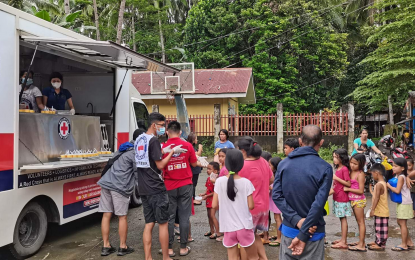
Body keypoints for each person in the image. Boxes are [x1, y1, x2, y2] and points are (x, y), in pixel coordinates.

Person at [273, 125, 332, 259]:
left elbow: (276, 195)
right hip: (313, 232)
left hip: (290, 229)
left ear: (300, 141)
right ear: (321, 143)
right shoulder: (325, 168)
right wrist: (304, 231)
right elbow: (318, 204)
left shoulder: (283, 164)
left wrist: (297, 221)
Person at [135, 112, 185, 260]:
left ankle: (148, 257)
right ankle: (165, 257)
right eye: (162, 126)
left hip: (143, 187)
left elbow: (149, 156)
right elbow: (161, 165)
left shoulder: (140, 139)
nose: (163, 129)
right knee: (163, 223)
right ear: (154, 125)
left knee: (149, 223)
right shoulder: (154, 141)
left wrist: (164, 151)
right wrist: (172, 152)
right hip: (156, 188)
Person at [97, 129, 142, 256]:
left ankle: (106, 246)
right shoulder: (135, 152)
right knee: (122, 216)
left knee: (106, 215)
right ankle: (123, 246)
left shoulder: (123, 148)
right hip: (119, 186)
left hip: (106, 182)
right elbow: (138, 174)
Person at [212, 149, 258, 260]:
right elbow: (251, 206)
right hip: (244, 227)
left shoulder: (219, 181)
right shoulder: (246, 182)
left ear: (226, 163)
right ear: (241, 164)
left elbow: (214, 205)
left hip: (228, 228)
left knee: (232, 258)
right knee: (253, 257)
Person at [161, 121, 197, 257]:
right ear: (180, 132)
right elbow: (193, 163)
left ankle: (169, 248)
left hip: (169, 185)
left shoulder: (163, 148)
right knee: (184, 216)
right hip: (185, 185)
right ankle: (183, 247)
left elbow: (159, 166)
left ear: (167, 132)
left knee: (170, 217)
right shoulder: (187, 145)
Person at [237, 137, 274, 260]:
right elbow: (271, 179)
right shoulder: (263, 160)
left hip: (249, 208)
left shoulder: (242, 166)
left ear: (242, 151)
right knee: (253, 235)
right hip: (263, 206)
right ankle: (264, 258)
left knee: (243, 240)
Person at [387, 158, 414, 251]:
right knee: (400, 222)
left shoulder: (401, 177)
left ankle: (404, 245)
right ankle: (409, 242)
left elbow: (397, 191)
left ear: (402, 168)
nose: (393, 168)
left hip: (404, 202)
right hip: (402, 202)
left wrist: (389, 186)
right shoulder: (401, 176)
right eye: (393, 166)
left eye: (395, 166)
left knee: (402, 223)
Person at [343, 154, 367, 252]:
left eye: (355, 164)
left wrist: (348, 189)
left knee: (361, 222)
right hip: (353, 200)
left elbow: (361, 190)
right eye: (351, 162)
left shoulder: (360, 174)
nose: (352, 165)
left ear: (361, 164)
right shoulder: (351, 171)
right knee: (358, 221)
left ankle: (361, 245)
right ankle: (361, 241)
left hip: (358, 200)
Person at [330, 149, 352, 250]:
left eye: (336, 157)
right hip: (337, 197)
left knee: (343, 219)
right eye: (334, 157)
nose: (334, 159)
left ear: (342, 158)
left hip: (342, 198)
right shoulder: (339, 168)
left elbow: (348, 183)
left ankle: (344, 241)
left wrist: (336, 178)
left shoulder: (344, 169)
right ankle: (343, 239)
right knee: (341, 218)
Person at [367, 163, 390, 251]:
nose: (372, 176)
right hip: (380, 210)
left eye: (372, 173)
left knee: (382, 229)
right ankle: (377, 241)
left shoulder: (379, 185)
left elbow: (376, 198)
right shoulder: (382, 183)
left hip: (382, 211)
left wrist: (372, 209)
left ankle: (381, 244)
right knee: (378, 227)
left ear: (376, 173)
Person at [200, 162, 221, 240]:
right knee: (209, 215)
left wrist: (207, 195)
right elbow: (208, 189)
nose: (207, 170)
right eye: (207, 169)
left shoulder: (216, 180)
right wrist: (204, 193)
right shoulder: (209, 178)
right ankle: (212, 230)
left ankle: (217, 232)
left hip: (213, 199)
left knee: (213, 216)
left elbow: (215, 191)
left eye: (209, 169)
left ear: (215, 171)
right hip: (209, 199)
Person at [268, 157, 283, 247]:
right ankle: (279, 235)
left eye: (270, 165)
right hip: (274, 199)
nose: (268, 166)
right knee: (277, 217)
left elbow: (276, 186)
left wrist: (269, 187)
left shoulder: (278, 175)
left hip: (276, 199)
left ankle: (279, 238)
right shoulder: (276, 174)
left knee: (277, 218)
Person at [187, 132, 203, 205]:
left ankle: (193, 197)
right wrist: (200, 148)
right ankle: (192, 199)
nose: (197, 140)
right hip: (193, 168)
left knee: (194, 183)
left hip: (195, 168)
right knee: (193, 184)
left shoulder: (192, 146)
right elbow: (196, 154)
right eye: (196, 138)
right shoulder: (190, 146)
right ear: (193, 140)